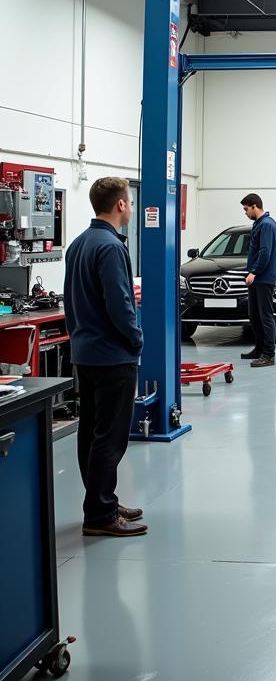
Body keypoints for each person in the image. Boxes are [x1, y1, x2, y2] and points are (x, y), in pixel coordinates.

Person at [64, 177, 147, 537]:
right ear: (121, 205)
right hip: (113, 356)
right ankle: (99, 515)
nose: (130, 207)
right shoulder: (111, 248)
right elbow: (120, 304)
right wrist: (136, 338)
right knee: (110, 438)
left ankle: (103, 501)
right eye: (129, 201)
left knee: (91, 433)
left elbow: (71, 301)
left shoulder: (79, 244)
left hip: (86, 354)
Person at [241, 193, 276, 367]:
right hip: (257, 278)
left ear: (255, 206)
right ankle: (259, 348)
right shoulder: (259, 224)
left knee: (265, 315)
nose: (245, 213)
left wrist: (254, 272)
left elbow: (265, 252)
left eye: (246, 209)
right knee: (254, 315)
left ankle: (268, 354)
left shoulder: (267, 225)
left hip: (264, 278)